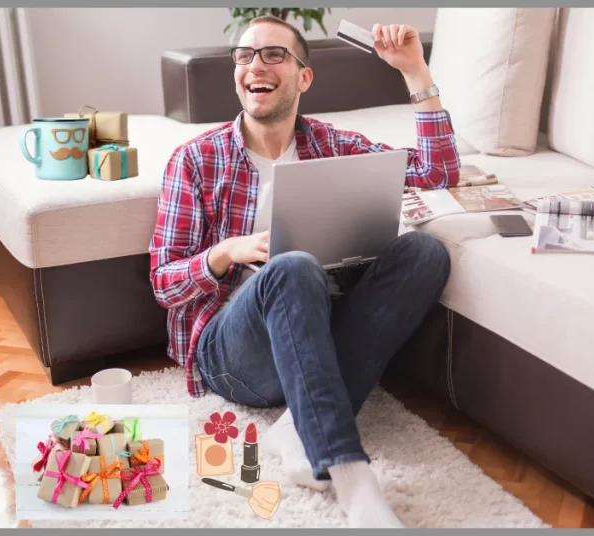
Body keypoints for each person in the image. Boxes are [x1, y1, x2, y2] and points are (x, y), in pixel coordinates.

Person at [148, 15, 460, 527]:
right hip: (232, 354)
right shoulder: (197, 159)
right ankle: (351, 478)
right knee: (293, 267)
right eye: (245, 56)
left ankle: (296, 426)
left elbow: (437, 174)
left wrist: (415, 72)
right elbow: (164, 283)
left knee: (425, 254)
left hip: (317, 338)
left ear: (303, 77)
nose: (255, 65)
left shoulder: (331, 144)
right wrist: (226, 251)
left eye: (273, 55)